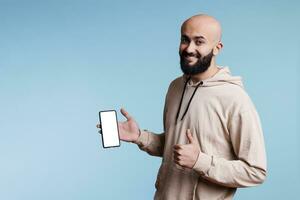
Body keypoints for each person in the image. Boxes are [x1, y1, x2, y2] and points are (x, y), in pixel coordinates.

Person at [96, 14, 267, 200]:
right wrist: (139, 137)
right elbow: (174, 147)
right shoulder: (175, 87)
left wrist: (199, 161)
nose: (189, 49)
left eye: (199, 41)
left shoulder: (235, 99)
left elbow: (255, 171)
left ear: (217, 48)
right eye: (185, 40)